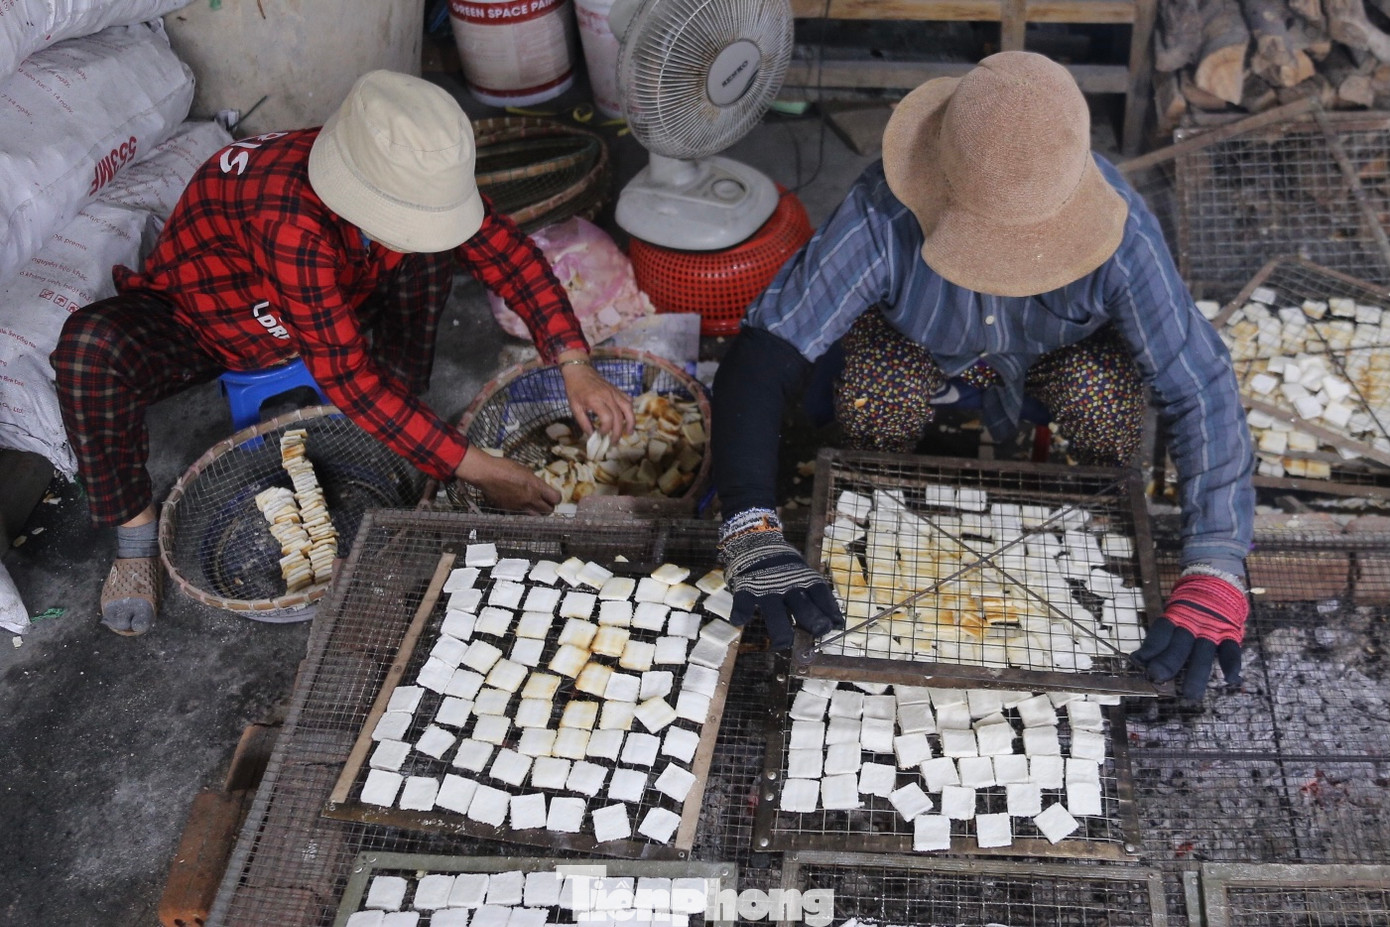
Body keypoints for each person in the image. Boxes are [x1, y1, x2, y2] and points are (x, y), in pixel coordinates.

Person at [710, 51, 1254, 702]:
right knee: (872, 397)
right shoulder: (884, 212)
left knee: (1103, 397)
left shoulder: (1122, 229)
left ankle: (1087, 539)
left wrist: (1216, 561)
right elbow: (769, 346)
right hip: (920, 345)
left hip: (1062, 356)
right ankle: (878, 530)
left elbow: (1199, 381)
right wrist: (748, 524)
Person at [53, 70, 634, 637]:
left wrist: (574, 364)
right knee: (89, 349)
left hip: (335, 306)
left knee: (428, 253)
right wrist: (478, 469)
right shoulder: (287, 217)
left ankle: (401, 424)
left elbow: (508, 255)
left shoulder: (408, 171)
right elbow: (348, 378)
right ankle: (134, 539)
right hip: (213, 324)